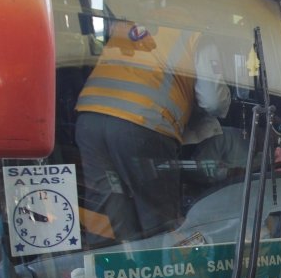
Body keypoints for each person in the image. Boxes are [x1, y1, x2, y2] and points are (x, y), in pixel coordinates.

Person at [75, 18, 230, 243]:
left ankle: (109, 272)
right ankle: (157, 275)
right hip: (142, 124)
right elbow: (213, 100)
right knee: (157, 221)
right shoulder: (195, 33)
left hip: (90, 117)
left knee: (108, 216)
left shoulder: (132, 22)